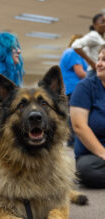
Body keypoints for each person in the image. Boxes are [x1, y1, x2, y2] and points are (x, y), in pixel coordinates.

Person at [70, 44, 105, 188]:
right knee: (86, 170)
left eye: (104, 60)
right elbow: (79, 127)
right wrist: (103, 153)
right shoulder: (85, 87)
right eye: (99, 59)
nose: (98, 64)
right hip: (94, 155)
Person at [59, 34, 88, 147]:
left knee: (71, 115)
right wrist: (95, 76)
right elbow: (80, 73)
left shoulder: (67, 52)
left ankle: (72, 142)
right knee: (77, 116)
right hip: (75, 89)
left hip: (70, 90)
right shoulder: (74, 52)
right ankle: (75, 142)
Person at [71, 13, 105, 78]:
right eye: (102, 22)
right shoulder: (93, 35)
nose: (104, 24)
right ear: (94, 25)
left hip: (99, 70)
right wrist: (92, 63)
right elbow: (75, 45)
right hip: (94, 72)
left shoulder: (100, 37)